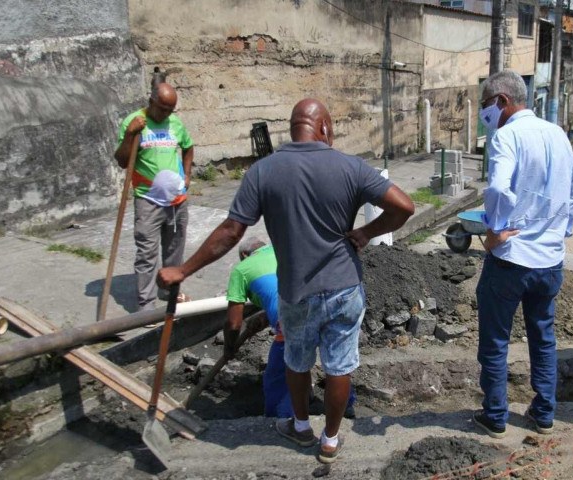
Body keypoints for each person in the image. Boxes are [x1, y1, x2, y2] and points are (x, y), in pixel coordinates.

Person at [157, 98, 414, 464]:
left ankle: (301, 427)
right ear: (324, 127)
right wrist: (366, 232)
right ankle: (330, 440)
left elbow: (231, 231)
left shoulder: (264, 171)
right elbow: (404, 206)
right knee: (340, 365)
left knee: (297, 360)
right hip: (344, 286)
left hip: (297, 291)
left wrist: (182, 271)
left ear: (293, 127)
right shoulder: (350, 167)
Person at [472, 70, 573, 438]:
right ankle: (544, 414)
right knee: (543, 336)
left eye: (486, 105)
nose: (485, 113)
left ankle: (496, 415)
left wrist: (495, 229)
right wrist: (558, 234)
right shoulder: (558, 134)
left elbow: (499, 188)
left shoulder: (507, 136)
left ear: (502, 101)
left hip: (511, 258)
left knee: (496, 339)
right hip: (550, 260)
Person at [225, 237, 356, 419]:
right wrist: (266, 315)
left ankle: (283, 418)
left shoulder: (242, 269)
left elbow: (233, 323)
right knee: (336, 364)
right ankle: (345, 410)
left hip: (293, 317)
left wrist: (229, 348)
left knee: (281, 375)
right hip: (331, 304)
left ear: (245, 255)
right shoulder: (283, 249)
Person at [114, 82, 194, 312]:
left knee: (174, 249)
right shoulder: (135, 123)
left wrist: (187, 175)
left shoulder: (175, 123)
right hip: (148, 200)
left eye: (171, 110)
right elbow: (121, 160)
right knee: (147, 254)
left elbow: (188, 147)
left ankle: (169, 291)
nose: (167, 114)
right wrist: (130, 135)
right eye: (163, 109)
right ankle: (146, 305)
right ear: (151, 102)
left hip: (177, 200)